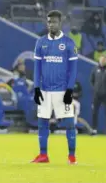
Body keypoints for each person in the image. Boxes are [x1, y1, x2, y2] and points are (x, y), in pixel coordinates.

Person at [32, 10, 78, 164]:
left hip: (62, 90)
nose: (52, 24)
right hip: (44, 90)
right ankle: (43, 155)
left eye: (54, 22)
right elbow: (37, 68)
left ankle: (71, 156)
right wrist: (37, 88)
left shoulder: (69, 43)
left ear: (60, 23)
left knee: (69, 123)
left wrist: (70, 90)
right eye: (49, 22)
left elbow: (73, 70)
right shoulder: (40, 42)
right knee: (42, 122)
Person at [90, 55, 106, 136]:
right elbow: (92, 81)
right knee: (94, 112)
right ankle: (94, 130)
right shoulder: (95, 69)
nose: (102, 61)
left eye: (104, 59)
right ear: (99, 60)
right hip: (97, 95)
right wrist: (96, 89)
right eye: (101, 59)